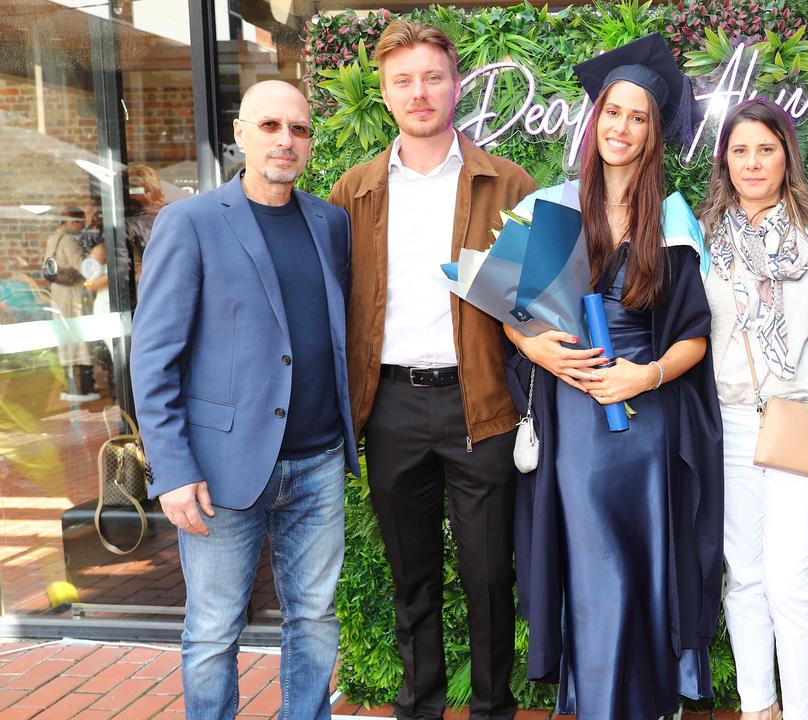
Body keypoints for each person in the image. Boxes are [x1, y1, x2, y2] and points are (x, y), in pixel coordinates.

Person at [506, 33, 722, 720]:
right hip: (576, 417)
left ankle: (653, 701)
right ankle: (599, 701)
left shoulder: (674, 221)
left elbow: (694, 336)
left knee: (647, 561)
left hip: (645, 418)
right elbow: (509, 313)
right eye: (611, 112)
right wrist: (537, 351)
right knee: (595, 567)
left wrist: (647, 376)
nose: (621, 128)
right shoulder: (554, 205)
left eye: (638, 117)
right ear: (593, 119)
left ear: (654, 133)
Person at [326, 20, 536, 720]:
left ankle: (491, 709)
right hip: (388, 407)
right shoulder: (351, 192)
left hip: (480, 404)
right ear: (385, 94)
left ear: (456, 85)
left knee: (487, 576)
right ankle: (420, 708)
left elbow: (535, 303)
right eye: (403, 81)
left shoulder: (507, 183)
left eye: (433, 77)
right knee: (411, 580)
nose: (420, 92)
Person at [130, 80, 359, 720]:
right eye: (270, 126)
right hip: (220, 469)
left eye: (300, 129)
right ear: (239, 132)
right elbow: (153, 357)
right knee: (212, 631)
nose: (286, 140)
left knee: (313, 617)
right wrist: (172, 470)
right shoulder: (189, 222)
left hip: (317, 461)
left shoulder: (329, 222)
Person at [697, 98, 808, 720]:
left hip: (802, 417)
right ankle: (759, 706)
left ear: (788, 155)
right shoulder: (700, 233)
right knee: (745, 574)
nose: (752, 162)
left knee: (788, 576)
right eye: (739, 149)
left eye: (766, 149)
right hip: (727, 417)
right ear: (723, 159)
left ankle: (804, 712)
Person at [44, 206, 97, 402]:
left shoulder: (54, 238)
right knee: (79, 335)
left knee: (66, 336)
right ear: (72, 222)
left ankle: (72, 385)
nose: (82, 228)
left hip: (59, 292)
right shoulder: (67, 240)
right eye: (81, 223)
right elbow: (81, 264)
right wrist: (97, 261)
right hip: (71, 293)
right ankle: (82, 388)